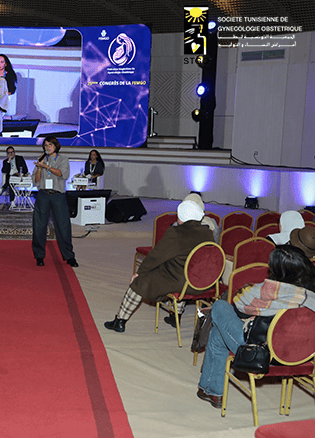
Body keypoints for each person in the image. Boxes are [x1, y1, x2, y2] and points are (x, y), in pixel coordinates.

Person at [196, 245, 315, 408]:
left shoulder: (268, 291)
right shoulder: (309, 295)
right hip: (302, 354)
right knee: (218, 334)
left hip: (262, 353)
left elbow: (239, 306)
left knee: (220, 307)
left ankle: (213, 391)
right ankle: (210, 390)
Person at [104, 199, 213, 333]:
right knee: (185, 272)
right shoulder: (208, 233)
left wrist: (139, 273)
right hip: (201, 282)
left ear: (181, 216)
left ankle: (119, 320)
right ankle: (175, 316)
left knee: (140, 282)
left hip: (180, 282)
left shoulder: (176, 233)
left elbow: (156, 256)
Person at [32, 136, 78, 268]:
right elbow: (36, 181)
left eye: (50, 145)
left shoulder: (63, 159)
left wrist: (46, 167)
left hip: (58, 195)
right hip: (43, 195)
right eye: (45, 145)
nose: (47, 147)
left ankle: (69, 256)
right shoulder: (41, 159)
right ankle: (39, 256)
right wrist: (39, 167)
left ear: (56, 146)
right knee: (39, 226)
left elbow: (62, 174)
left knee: (63, 226)